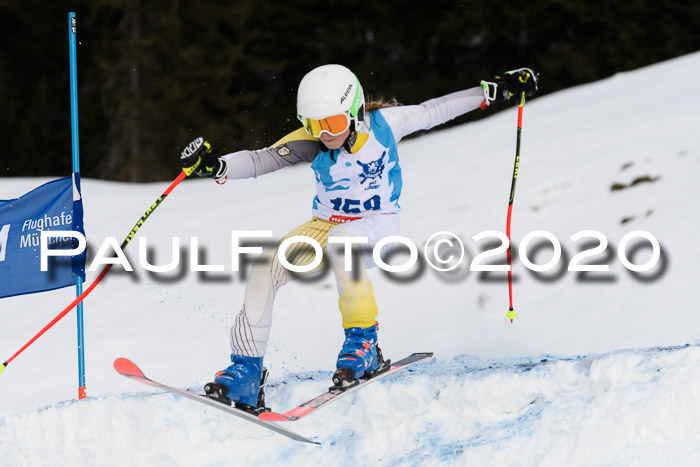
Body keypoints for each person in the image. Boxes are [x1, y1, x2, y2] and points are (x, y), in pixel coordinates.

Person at [180, 64, 538, 410]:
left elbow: (436, 110)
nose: (325, 134)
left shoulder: (385, 126)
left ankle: (363, 344)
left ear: (352, 112)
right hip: (324, 225)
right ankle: (246, 372)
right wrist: (219, 166)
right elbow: (262, 160)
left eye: (333, 123)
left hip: (376, 224)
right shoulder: (312, 142)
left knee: (343, 240)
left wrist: (494, 91)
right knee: (265, 266)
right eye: (314, 125)